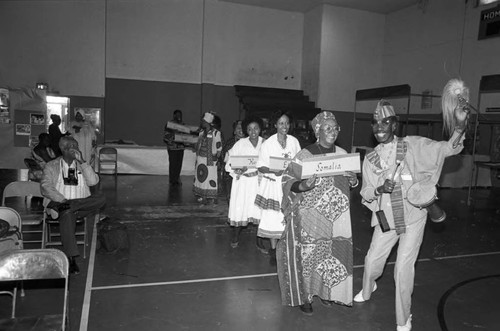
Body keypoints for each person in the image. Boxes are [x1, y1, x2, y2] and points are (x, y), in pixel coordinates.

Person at [354, 88, 468, 331]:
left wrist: (459, 127)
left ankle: (403, 318)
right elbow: (365, 192)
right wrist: (378, 190)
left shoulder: (412, 145)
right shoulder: (370, 158)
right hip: (387, 218)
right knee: (373, 261)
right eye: (375, 123)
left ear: (394, 125)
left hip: (414, 217)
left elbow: (448, 149)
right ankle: (369, 286)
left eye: (385, 122)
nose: (379, 127)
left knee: (403, 270)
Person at [278, 111, 357, 315]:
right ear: (317, 131)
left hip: (336, 220)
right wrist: (303, 185)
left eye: (335, 127)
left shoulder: (342, 153)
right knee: (309, 256)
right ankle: (306, 297)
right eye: (327, 128)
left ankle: (325, 292)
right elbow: (287, 178)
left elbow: (352, 182)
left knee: (330, 257)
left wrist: (353, 180)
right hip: (311, 219)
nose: (332, 131)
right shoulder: (306, 154)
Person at [41, 136, 106, 274]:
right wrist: (63, 201)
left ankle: (71, 206)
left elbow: (94, 182)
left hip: (80, 206)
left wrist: (83, 162)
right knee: (67, 213)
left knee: (101, 198)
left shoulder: (81, 165)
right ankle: (71, 259)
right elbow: (45, 187)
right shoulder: (51, 165)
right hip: (58, 205)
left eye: (76, 146)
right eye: (71, 146)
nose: (75, 149)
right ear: (63, 149)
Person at [255, 111, 301, 264]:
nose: (284, 126)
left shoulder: (294, 142)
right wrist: (273, 170)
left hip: (289, 184)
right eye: (281, 123)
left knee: (288, 217)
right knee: (273, 217)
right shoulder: (268, 144)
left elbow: (299, 162)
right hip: (273, 184)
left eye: (287, 123)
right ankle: (274, 251)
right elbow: (260, 166)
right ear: (275, 125)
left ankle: (287, 249)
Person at [225, 116, 264, 248]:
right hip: (243, 182)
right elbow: (229, 162)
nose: (253, 132)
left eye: (256, 128)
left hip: (259, 182)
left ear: (260, 129)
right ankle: (235, 236)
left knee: (258, 211)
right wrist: (237, 168)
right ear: (246, 130)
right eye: (250, 129)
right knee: (240, 209)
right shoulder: (240, 144)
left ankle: (259, 241)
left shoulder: (265, 144)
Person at [193, 112, 223, 205]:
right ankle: (202, 195)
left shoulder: (216, 133)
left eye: (203, 121)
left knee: (211, 178)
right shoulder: (201, 132)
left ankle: (212, 197)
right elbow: (198, 145)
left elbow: (219, 147)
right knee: (201, 177)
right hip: (201, 159)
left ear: (207, 122)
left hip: (211, 160)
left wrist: (217, 159)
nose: (202, 122)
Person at [222, 120, 244, 201]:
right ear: (234, 131)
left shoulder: (250, 142)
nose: (241, 130)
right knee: (230, 196)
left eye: (243, 128)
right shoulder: (229, 143)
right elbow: (224, 158)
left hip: (245, 175)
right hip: (230, 175)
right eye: (238, 128)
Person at [163, 109, 185, 186]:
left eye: (180, 115)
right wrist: (174, 136)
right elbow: (166, 136)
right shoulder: (169, 124)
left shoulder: (183, 125)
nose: (179, 116)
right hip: (173, 147)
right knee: (173, 164)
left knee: (179, 164)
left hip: (181, 147)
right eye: (178, 115)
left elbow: (186, 137)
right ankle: (172, 180)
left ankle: (177, 178)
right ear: (174, 115)